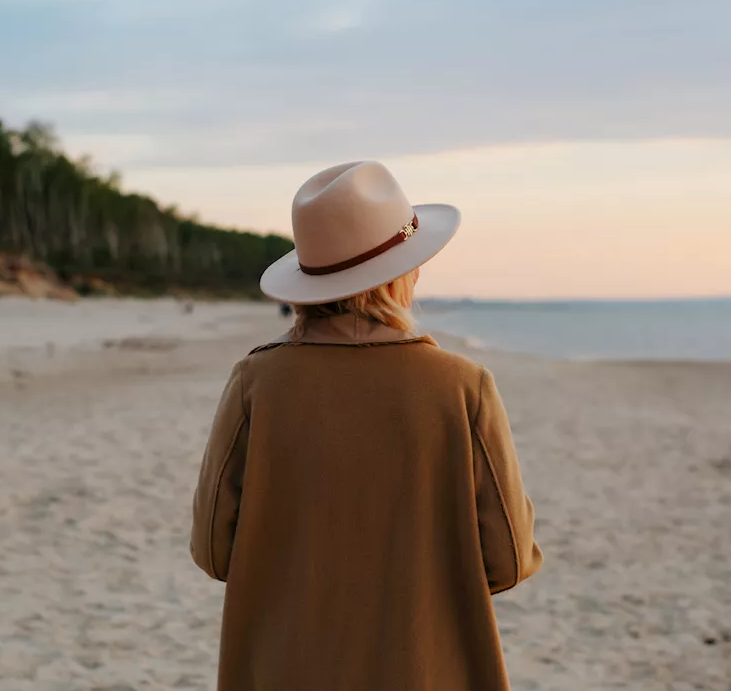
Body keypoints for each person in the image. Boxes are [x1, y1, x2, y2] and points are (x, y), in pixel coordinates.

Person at [190, 160, 542, 691]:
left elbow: (215, 552)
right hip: (423, 668)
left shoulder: (256, 382)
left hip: (286, 667)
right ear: (403, 275)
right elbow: (508, 560)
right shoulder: (462, 386)